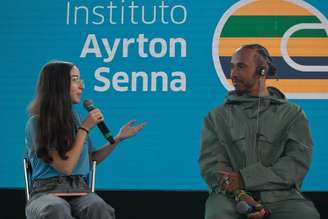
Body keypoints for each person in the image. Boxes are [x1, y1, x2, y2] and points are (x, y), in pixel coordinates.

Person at [199, 44, 320, 219]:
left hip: (282, 198)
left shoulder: (293, 114)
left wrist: (245, 178)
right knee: (217, 212)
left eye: (241, 66)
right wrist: (241, 195)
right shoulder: (216, 117)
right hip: (231, 198)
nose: (232, 73)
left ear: (262, 71)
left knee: (306, 215)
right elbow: (212, 165)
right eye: (232, 66)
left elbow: (296, 164)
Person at [25, 61, 146, 219]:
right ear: (58, 85)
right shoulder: (36, 123)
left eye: (80, 79)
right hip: (46, 193)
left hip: (79, 190)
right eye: (75, 79)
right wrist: (84, 129)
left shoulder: (76, 119)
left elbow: (90, 159)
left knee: (99, 207)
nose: (81, 85)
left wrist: (118, 139)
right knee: (56, 209)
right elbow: (66, 167)